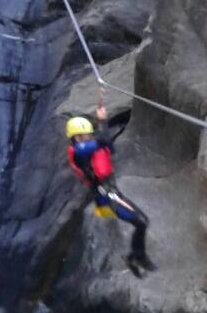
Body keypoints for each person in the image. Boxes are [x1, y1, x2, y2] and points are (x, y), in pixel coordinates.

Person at [66, 106, 157, 278]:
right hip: (106, 195)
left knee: (142, 221)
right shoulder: (79, 152)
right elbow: (102, 141)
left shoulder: (88, 147)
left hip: (110, 190)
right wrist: (102, 120)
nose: (90, 137)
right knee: (142, 221)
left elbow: (106, 145)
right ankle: (136, 257)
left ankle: (137, 256)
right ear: (77, 138)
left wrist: (102, 124)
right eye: (87, 135)